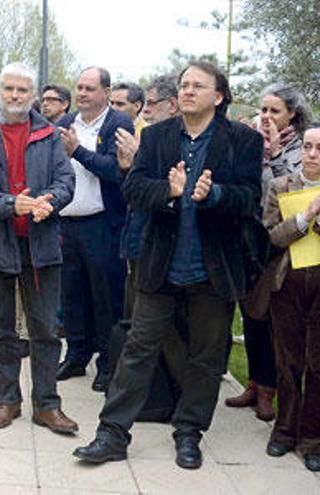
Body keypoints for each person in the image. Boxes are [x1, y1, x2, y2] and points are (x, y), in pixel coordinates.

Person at [74, 61, 263, 470]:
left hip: (213, 269)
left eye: (199, 85)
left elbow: (250, 198)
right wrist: (169, 192)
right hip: (160, 265)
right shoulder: (157, 137)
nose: (189, 91)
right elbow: (134, 188)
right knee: (138, 349)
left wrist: (214, 196)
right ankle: (112, 433)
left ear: (219, 95)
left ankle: (189, 431)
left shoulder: (242, 141)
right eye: (184, 85)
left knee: (207, 356)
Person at [0, 62, 77, 433]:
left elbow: (66, 179)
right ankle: (8, 400)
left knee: (44, 329)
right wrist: (12, 204)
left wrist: (49, 201)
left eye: (22, 90)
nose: (15, 96)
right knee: (3, 330)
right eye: (9, 89)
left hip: (40, 245)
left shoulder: (48, 134)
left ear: (33, 95)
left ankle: (47, 405)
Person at [229, 83, 313, 420]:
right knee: (251, 313)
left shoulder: (304, 146)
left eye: (274, 111)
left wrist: (276, 156)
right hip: (250, 239)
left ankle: (272, 391)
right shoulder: (253, 144)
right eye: (263, 110)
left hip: (285, 244)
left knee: (276, 320)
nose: (266, 117)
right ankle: (255, 381)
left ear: (291, 114)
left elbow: (293, 193)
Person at [56, 67, 133, 392]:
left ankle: (107, 363)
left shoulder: (118, 123)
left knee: (105, 298)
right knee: (71, 295)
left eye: (90, 88)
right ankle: (76, 355)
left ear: (105, 91)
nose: (82, 93)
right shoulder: (64, 124)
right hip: (66, 223)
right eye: (79, 87)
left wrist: (79, 152)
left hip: (102, 224)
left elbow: (116, 170)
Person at [261, 124, 320, 472]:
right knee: (288, 361)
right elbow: (270, 236)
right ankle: (284, 431)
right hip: (289, 285)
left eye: (319, 149)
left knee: (317, 364)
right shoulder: (282, 186)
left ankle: (312, 438)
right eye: (308, 147)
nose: (312, 155)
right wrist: (304, 218)